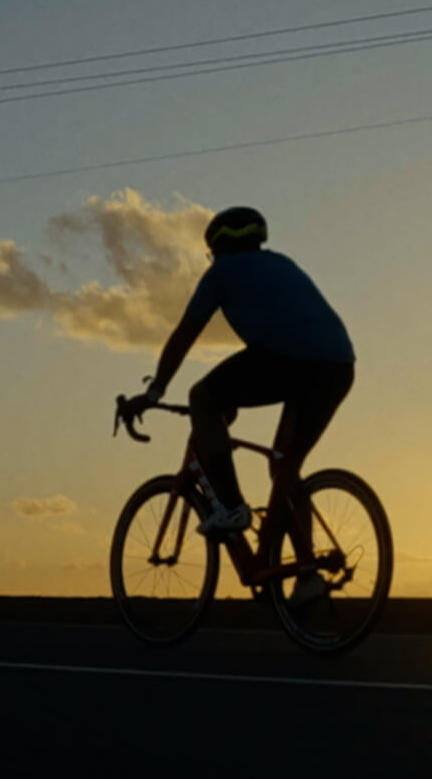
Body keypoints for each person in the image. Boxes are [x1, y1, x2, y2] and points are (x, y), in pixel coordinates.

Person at [127, 206, 356, 586]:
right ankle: (307, 574)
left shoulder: (222, 273)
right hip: (337, 366)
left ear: (216, 248)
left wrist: (154, 392)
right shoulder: (282, 264)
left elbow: (185, 334)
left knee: (202, 396)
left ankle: (232, 508)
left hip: (287, 361)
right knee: (285, 466)